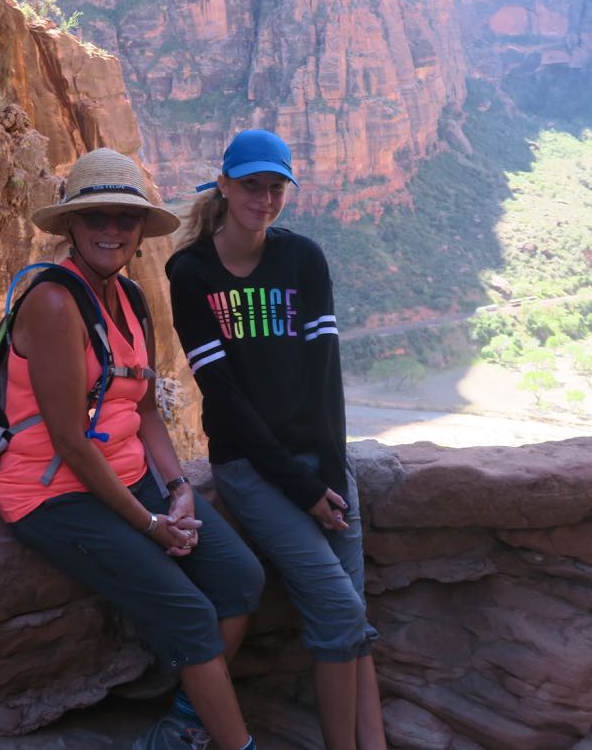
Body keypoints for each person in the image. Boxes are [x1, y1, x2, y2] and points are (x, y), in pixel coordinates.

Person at [0, 148, 264, 750]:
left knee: (241, 578)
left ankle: (185, 724)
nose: (111, 230)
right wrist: (150, 525)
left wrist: (178, 487)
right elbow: (70, 441)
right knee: (190, 615)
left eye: (126, 218)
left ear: (140, 231)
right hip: (53, 493)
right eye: (96, 217)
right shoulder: (54, 303)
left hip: (128, 477)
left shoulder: (132, 299)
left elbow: (144, 409)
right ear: (71, 226)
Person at [165, 130, 387, 750]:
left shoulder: (303, 259)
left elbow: (326, 376)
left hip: (321, 460)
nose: (263, 199)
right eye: (251, 186)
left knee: (352, 615)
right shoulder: (191, 273)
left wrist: (332, 473)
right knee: (340, 611)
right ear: (224, 185)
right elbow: (225, 397)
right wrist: (303, 488)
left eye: (275, 187)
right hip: (251, 468)